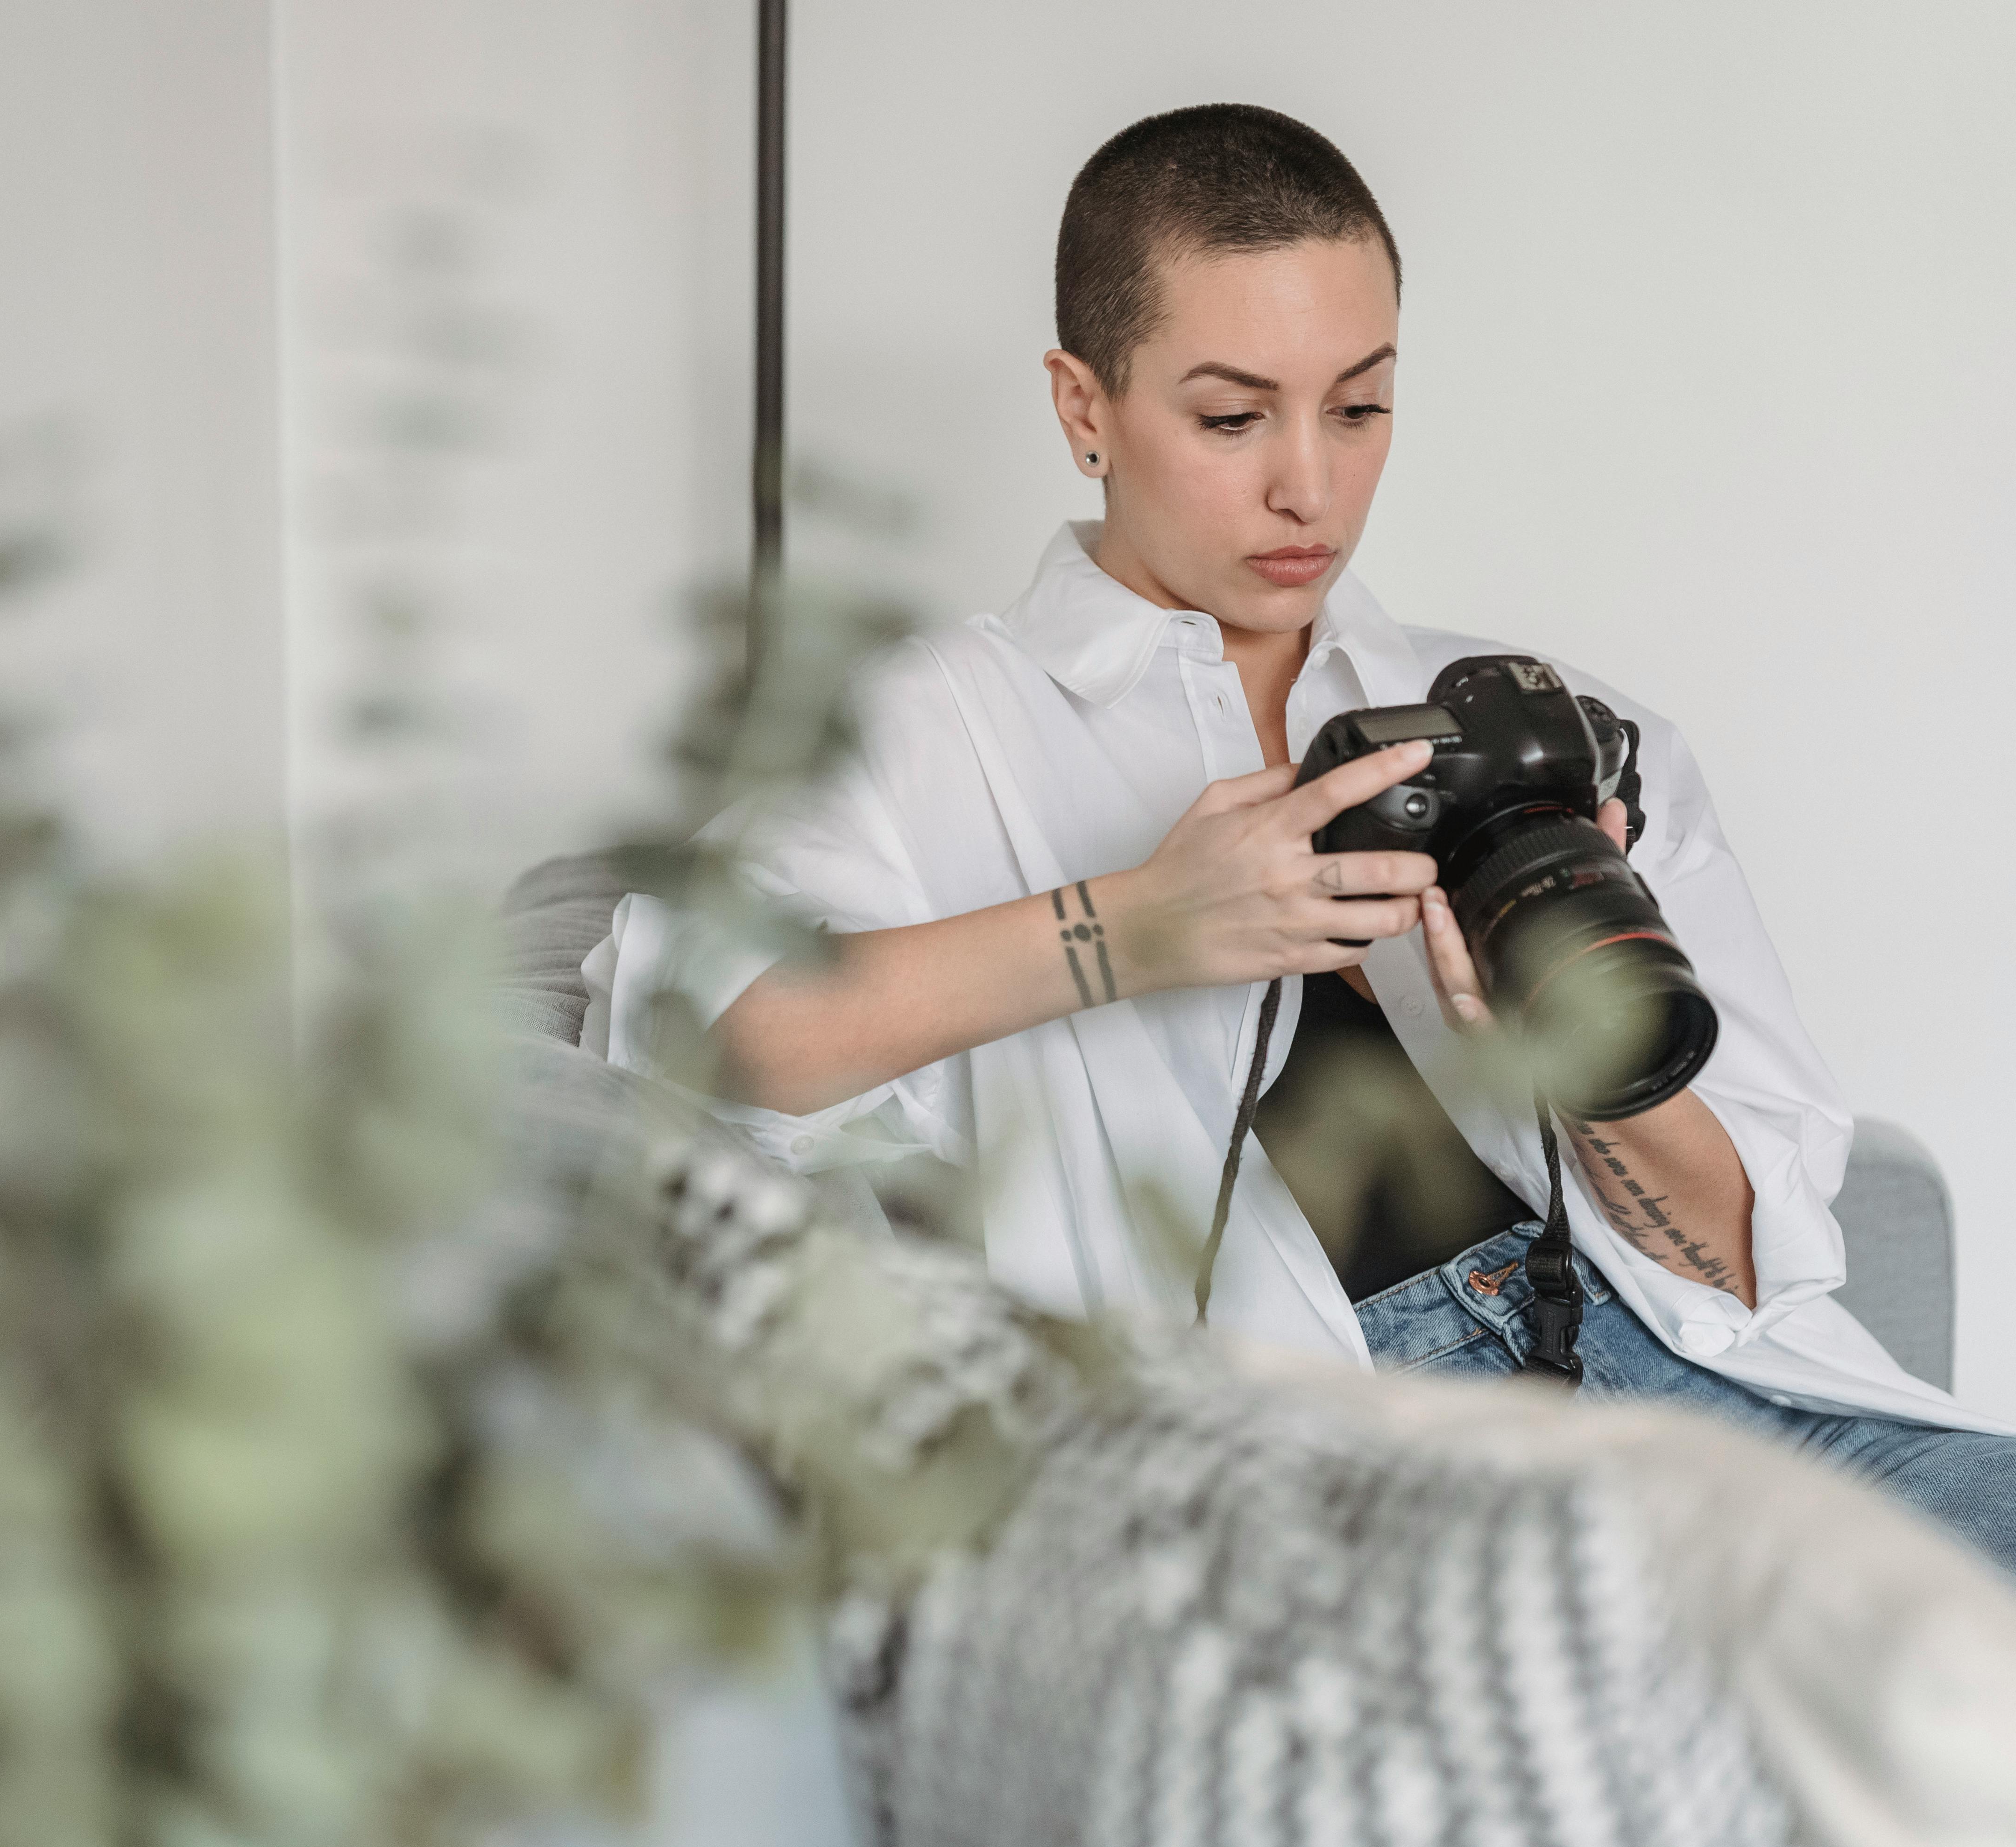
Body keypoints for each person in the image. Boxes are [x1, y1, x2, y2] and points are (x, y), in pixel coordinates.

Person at [583, 102, 2016, 1569]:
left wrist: (1575, 1060)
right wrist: (1129, 931)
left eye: (1359, 407)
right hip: (1338, 1472)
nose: (1309, 488)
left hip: (1707, 1396)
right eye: (1230, 416)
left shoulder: (1542, 727)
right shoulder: (927, 728)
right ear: (1085, 409)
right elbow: (694, 1039)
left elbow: (1742, 1265)